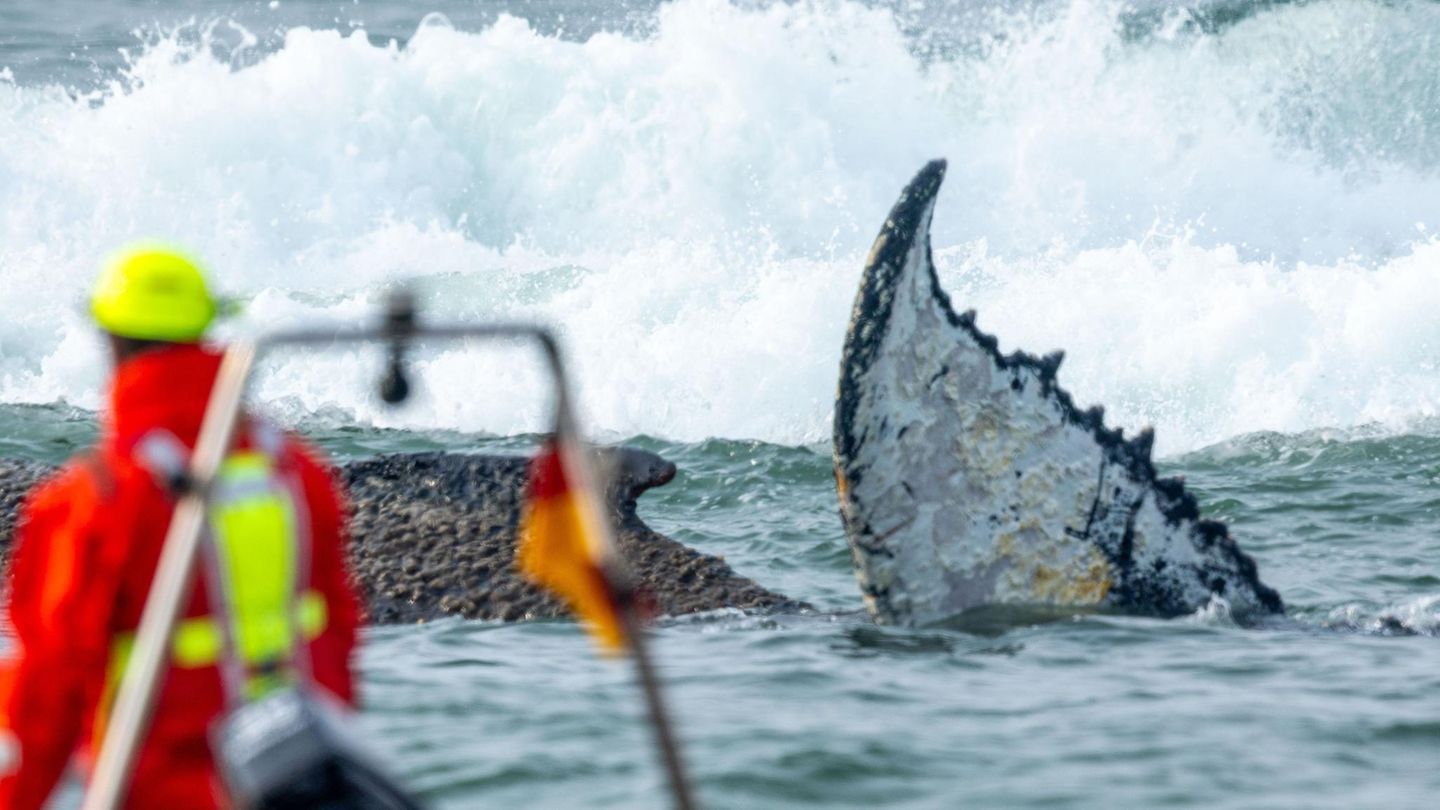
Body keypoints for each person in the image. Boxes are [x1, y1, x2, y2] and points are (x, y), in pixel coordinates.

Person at [0, 246, 362, 808]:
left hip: (153, 787)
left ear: (111, 341)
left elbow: (45, 696)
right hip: (296, 781)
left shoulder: (94, 498)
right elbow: (336, 630)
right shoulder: (295, 473)